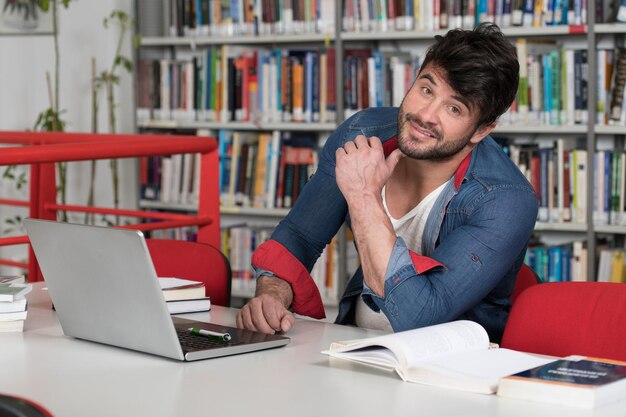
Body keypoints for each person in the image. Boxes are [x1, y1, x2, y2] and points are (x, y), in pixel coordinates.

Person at [235, 23, 537, 343]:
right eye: (426, 89)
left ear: (480, 130)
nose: (426, 115)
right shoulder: (361, 133)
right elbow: (300, 234)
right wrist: (272, 292)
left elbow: (419, 316)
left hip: (455, 367)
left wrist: (364, 197)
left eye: (454, 108)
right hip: (358, 345)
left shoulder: (506, 200)